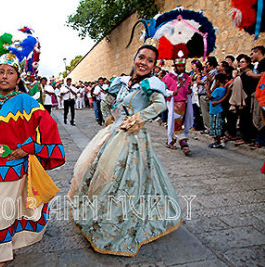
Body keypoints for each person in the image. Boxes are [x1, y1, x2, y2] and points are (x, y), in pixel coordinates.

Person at [68, 44, 182, 257]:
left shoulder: (151, 84)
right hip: (111, 135)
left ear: (154, 66)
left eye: (149, 60)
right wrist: (109, 116)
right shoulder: (121, 82)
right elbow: (108, 100)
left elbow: (160, 106)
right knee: (97, 175)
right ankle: (98, 219)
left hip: (133, 140)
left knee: (123, 182)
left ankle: (118, 225)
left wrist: (137, 119)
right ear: (134, 58)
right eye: (141, 57)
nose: (144, 62)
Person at [0, 53, 65, 266]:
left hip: (12, 166)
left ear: (18, 79)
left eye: (10, 73)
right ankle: (8, 244)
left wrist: (30, 148)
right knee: (6, 208)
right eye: (1, 72)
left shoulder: (25, 100)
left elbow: (48, 126)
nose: (4, 76)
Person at [163, 55, 193, 155]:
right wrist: (171, 93)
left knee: (178, 123)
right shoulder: (168, 77)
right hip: (174, 103)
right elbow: (163, 90)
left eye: (183, 66)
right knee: (177, 124)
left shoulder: (186, 77)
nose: (181, 68)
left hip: (184, 103)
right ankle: (184, 144)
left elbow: (189, 90)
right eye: (179, 66)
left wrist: (189, 90)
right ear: (175, 66)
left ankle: (171, 140)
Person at [207, 73, 228, 148]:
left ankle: (218, 141)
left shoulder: (219, 89)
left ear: (218, 81)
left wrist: (207, 88)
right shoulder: (223, 89)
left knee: (216, 126)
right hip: (216, 109)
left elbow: (210, 97)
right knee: (216, 125)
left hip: (216, 110)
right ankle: (216, 140)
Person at [199, 57, 218, 133]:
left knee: (206, 112)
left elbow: (205, 81)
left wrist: (205, 73)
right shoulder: (212, 72)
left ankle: (209, 128)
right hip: (205, 94)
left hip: (207, 94)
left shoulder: (213, 72)